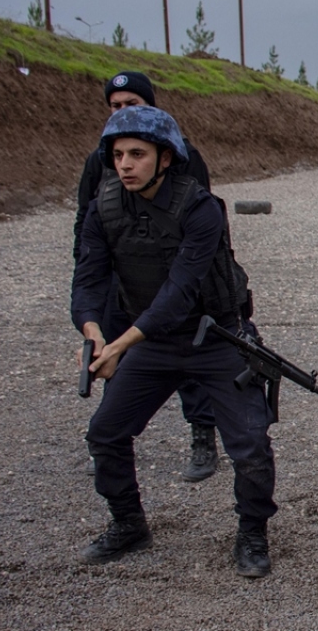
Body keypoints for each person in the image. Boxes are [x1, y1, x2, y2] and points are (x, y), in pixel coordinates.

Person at [72, 105, 277, 577]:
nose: (125, 164)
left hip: (217, 336)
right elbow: (86, 282)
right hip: (152, 343)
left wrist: (120, 346)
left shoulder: (200, 207)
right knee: (105, 432)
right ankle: (128, 524)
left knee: (249, 445)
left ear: (165, 158)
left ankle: (252, 532)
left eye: (137, 154)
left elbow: (179, 292)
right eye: (118, 154)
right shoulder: (103, 207)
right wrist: (93, 332)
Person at [73, 71, 220, 483]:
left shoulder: (181, 155)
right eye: (115, 106)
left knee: (191, 365)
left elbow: (201, 221)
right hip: (126, 286)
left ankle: (202, 436)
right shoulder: (98, 161)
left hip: (178, 285)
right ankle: (112, 443)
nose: (125, 165)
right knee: (115, 362)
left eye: (131, 104)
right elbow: (86, 222)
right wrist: (89, 301)